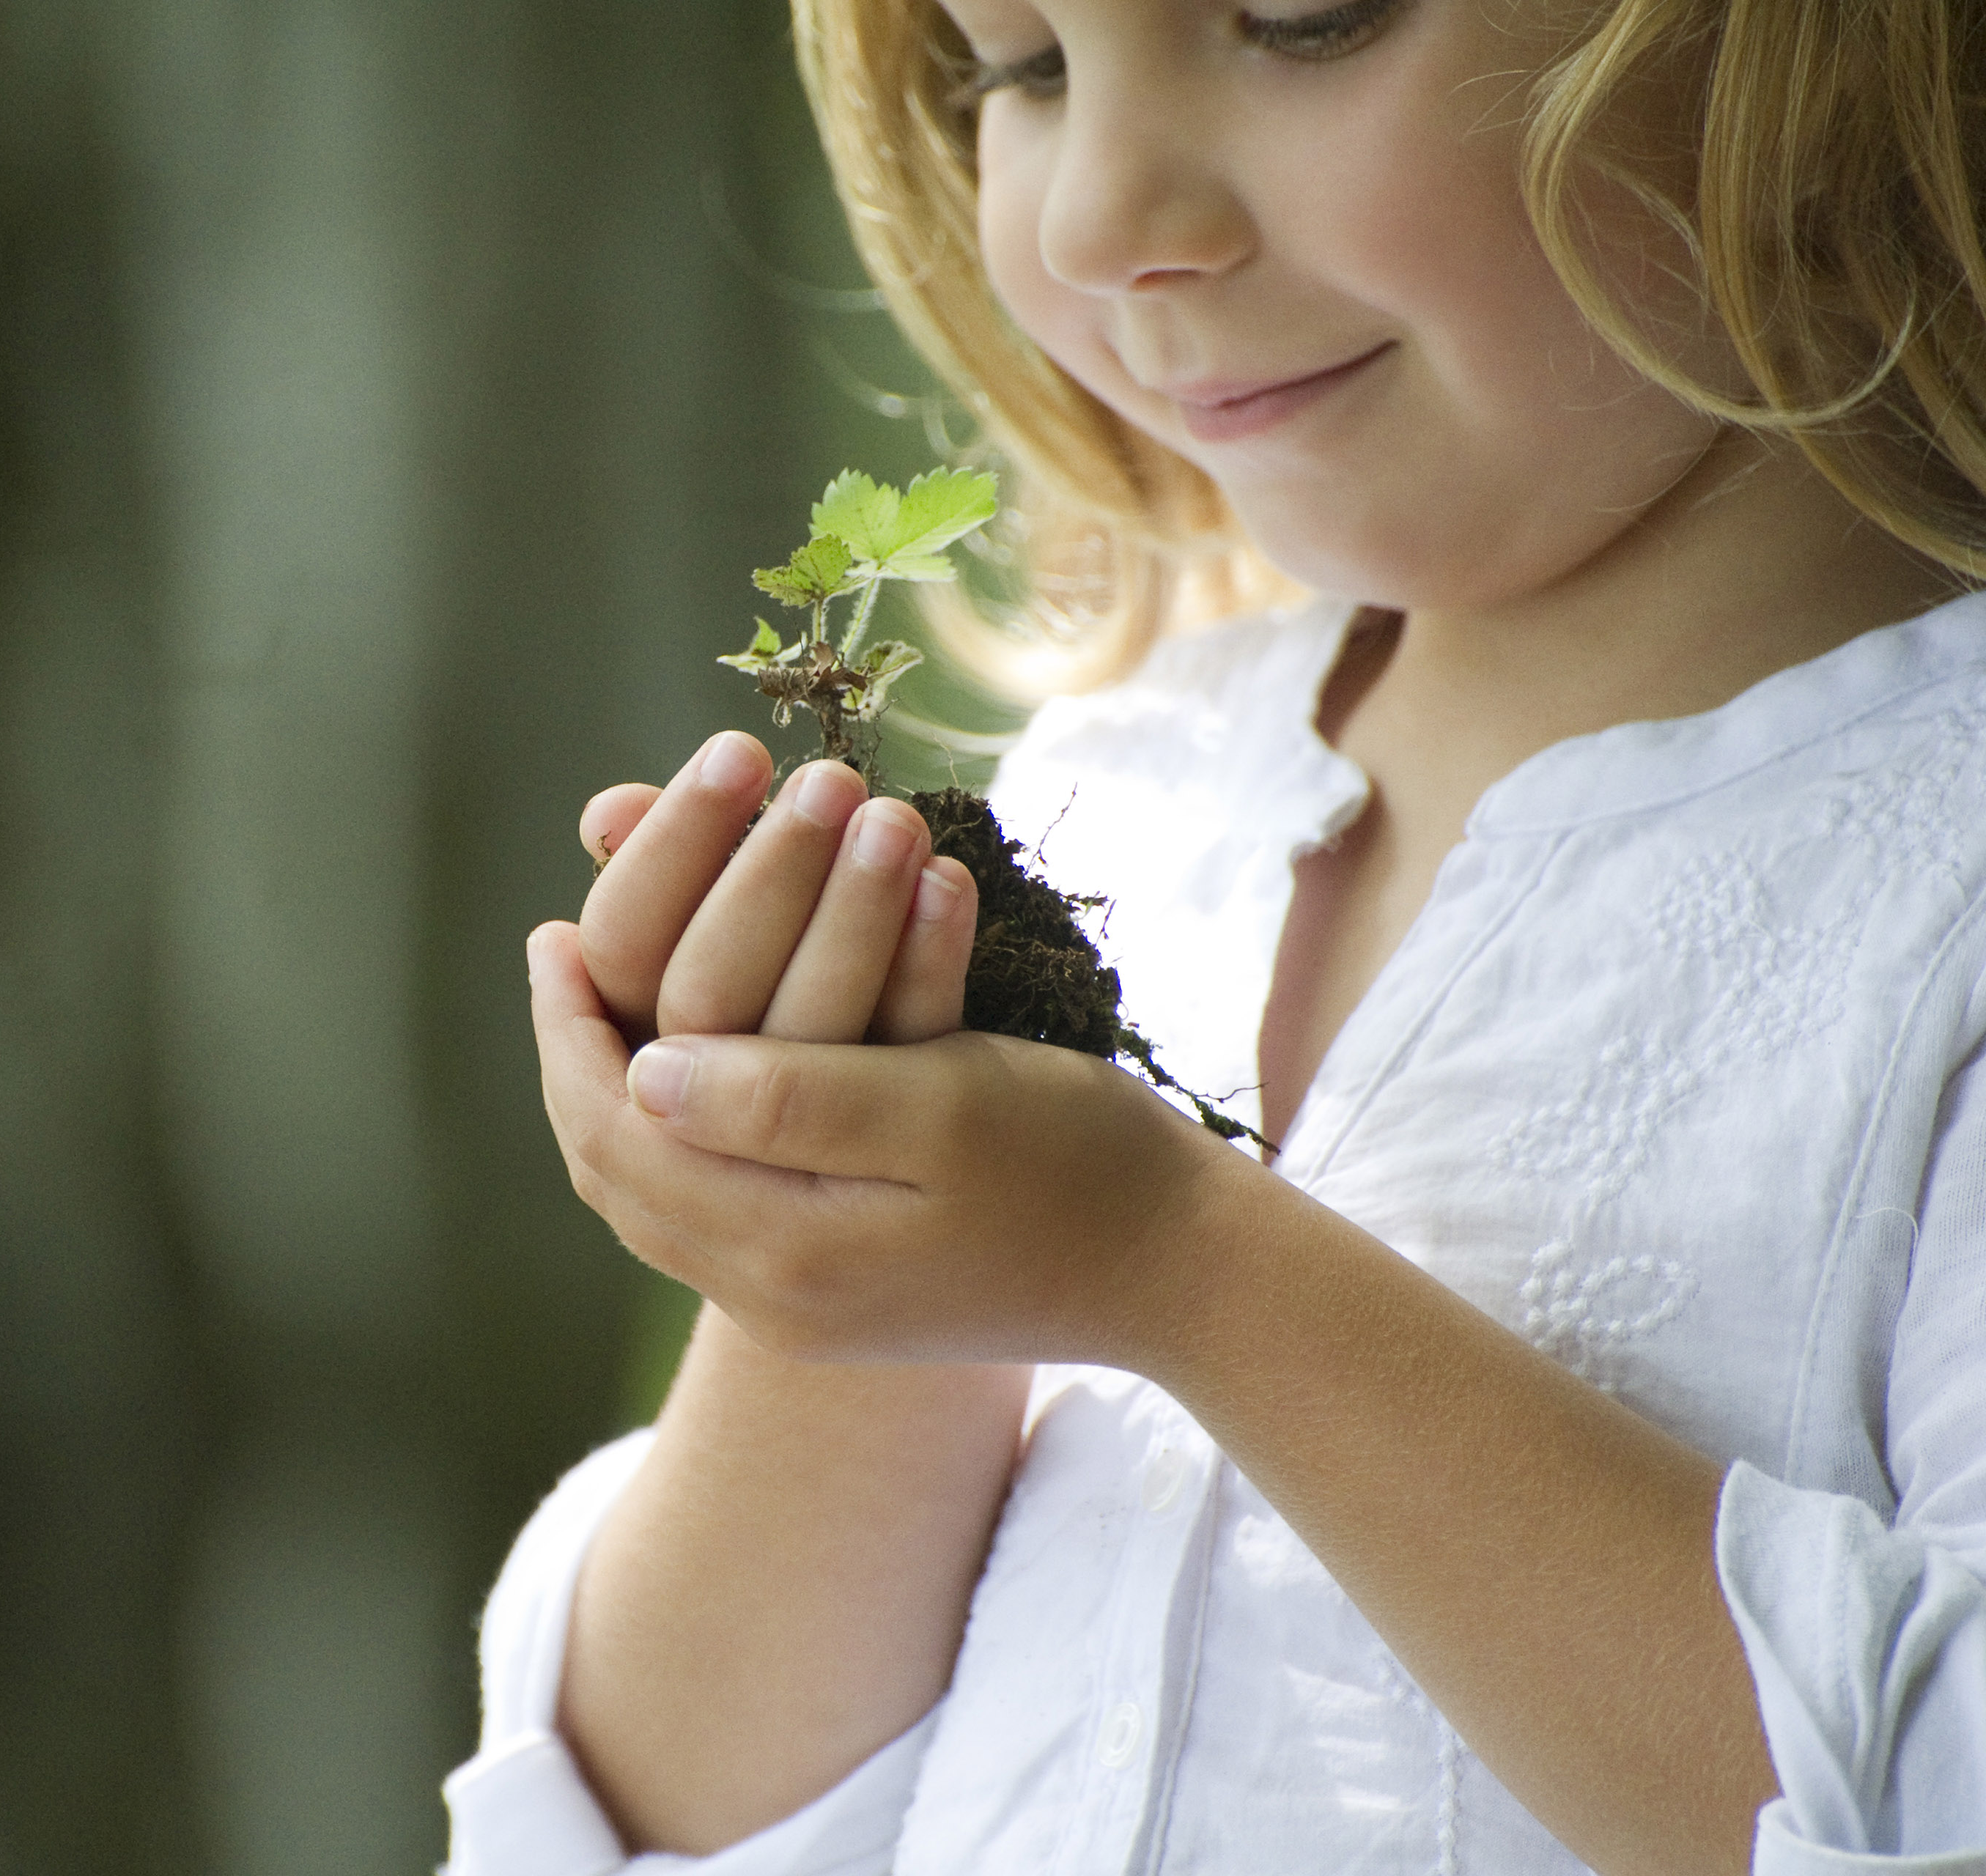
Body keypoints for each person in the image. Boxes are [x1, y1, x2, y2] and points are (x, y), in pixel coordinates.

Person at [448, 0, 1986, 1869]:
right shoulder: (1124, 784)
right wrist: (834, 1261)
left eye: (1298, 19)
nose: (1100, 215)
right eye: (1017, 66)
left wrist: (1180, 1267)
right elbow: (666, 1820)